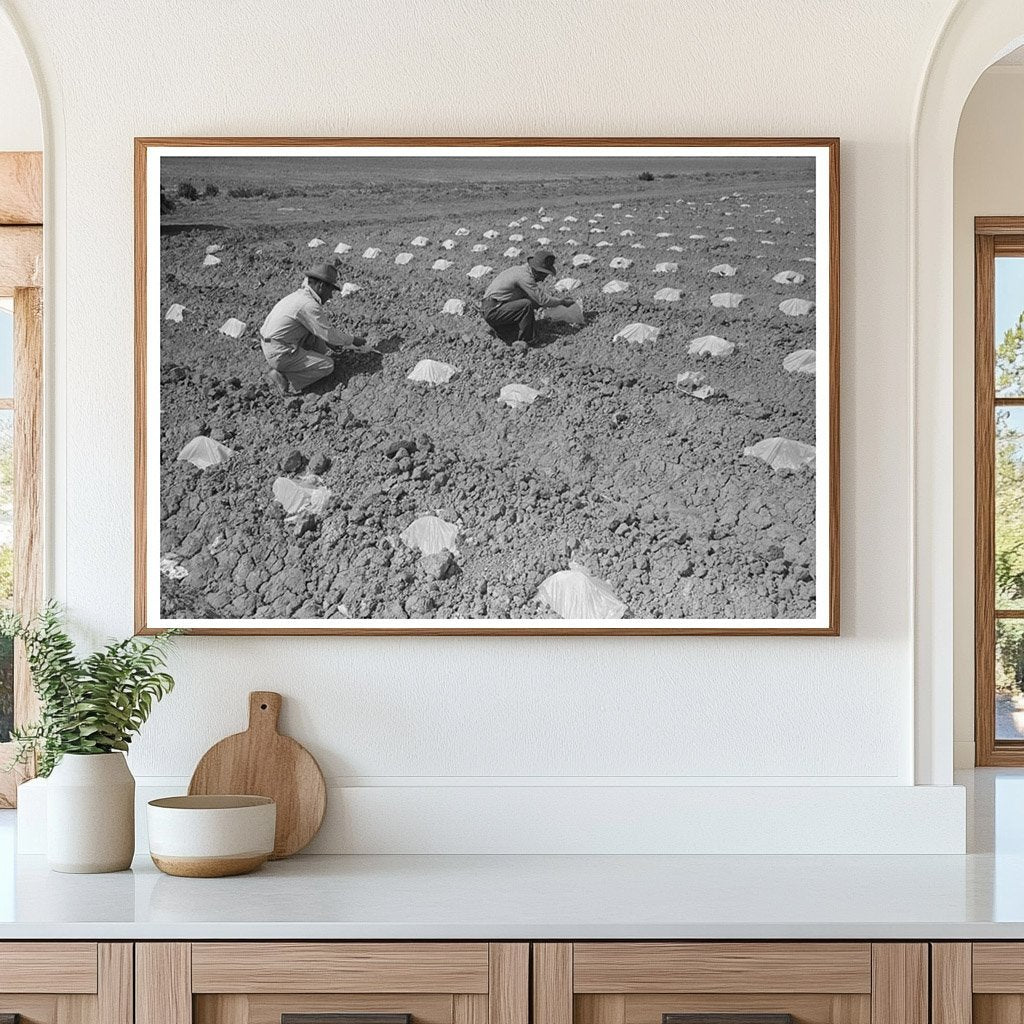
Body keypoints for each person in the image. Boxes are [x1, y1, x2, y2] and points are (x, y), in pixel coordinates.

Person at [259, 262, 369, 393]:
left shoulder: (299, 296)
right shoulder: (308, 304)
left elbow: (320, 331)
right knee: (327, 365)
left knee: (320, 344)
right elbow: (328, 334)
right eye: (331, 291)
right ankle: (285, 376)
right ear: (321, 286)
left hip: (272, 343)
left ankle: (291, 365)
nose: (331, 296)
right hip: (279, 351)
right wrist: (353, 340)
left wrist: (329, 341)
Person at [481, 251, 575, 344]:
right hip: (493, 310)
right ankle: (527, 340)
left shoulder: (520, 270)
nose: (543, 280)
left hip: (493, 307)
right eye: (544, 275)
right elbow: (542, 300)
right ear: (537, 271)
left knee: (528, 304)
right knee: (526, 305)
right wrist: (561, 302)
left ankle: (505, 331)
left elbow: (535, 300)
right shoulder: (525, 277)